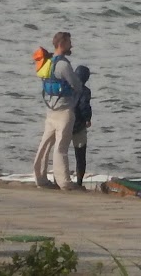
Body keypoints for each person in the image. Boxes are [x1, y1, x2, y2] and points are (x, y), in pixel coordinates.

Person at [32, 31, 82, 190]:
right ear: (62, 43)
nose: (71, 45)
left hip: (50, 109)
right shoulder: (64, 65)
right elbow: (77, 85)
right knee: (61, 147)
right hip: (65, 111)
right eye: (69, 42)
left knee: (45, 145)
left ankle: (40, 178)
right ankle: (64, 182)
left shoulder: (48, 62)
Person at [69, 65, 94, 186]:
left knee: (60, 151)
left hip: (65, 123)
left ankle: (59, 178)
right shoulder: (85, 91)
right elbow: (84, 106)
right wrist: (87, 119)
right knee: (80, 155)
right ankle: (79, 182)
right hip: (78, 125)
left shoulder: (67, 87)